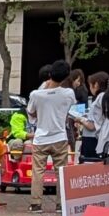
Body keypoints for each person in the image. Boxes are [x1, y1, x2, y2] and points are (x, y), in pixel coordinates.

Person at [28, 61, 77, 204]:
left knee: (38, 172)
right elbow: (70, 108)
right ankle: (60, 204)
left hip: (41, 138)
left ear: (50, 75)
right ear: (66, 76)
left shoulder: (37, 94)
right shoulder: (68, 93)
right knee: (61, 172)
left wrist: (46, 84)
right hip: (60, 137)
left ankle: (35, 203)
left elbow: (31, 113)